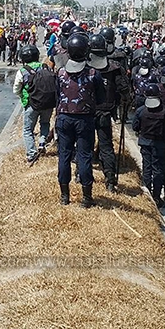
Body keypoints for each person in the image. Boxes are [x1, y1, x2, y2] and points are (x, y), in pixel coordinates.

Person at [54, 31, 101, 208]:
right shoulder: (93, 73)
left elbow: (58, 96)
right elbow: (100, 97)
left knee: (64, 156)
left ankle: (64, 196)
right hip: (85, 120)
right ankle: (86, 198)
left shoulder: (60, 73)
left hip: (64, 118)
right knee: (84, 156)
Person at [88, 32, 130, 193]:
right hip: (105, 111)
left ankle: (81, 174)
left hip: (89, 111)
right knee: (106, 146)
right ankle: (110, 180)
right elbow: (124, 89)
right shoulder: (114, 67)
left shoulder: (85, 66)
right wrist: (125, 101)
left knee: (86, 145)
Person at [132, 83, 165, 207]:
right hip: (160, 144)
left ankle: (147, 196)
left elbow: (135, 126)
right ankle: (156, 197)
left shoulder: (141, 110)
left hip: (145, 143)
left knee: (147, 168)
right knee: (158, 171)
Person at [15, 44, 56, 163]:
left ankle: (31, 153)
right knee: (45, 123)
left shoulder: (23, 71)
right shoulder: (46, 67)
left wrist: (23, 96)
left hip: (31, 104)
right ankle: (42, 143)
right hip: (48, 103)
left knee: (28, 130)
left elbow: (16, 89)